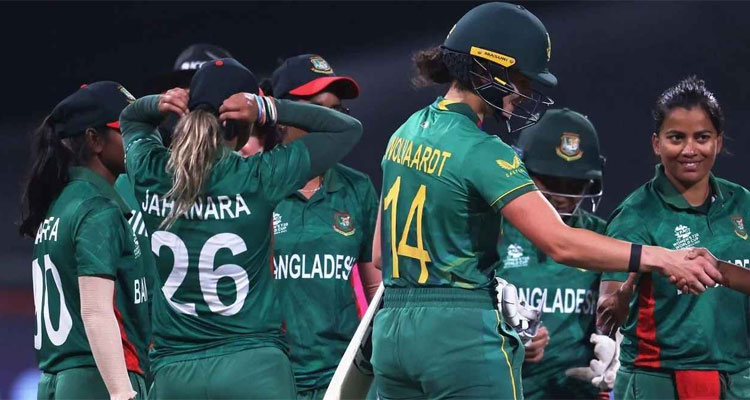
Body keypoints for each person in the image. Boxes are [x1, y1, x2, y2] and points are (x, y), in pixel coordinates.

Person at [370, 3, 723, 399]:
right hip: (459, 338)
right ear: (487, 69)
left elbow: (382, 254)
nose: (524, 94)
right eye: (521, 80)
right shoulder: (484, 150)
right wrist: (663, 257)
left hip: (392, 335)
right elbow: (561, 243)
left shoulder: (404, 133)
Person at [119, 57, 363, 399]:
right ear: (245, 124)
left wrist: (157, 103)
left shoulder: (151, 171)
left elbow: (130, 119)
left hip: (176, 373)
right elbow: (347, 128)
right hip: (253, 368)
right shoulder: (259, 175)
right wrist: (268, 108)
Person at [597, 76, 750, 400]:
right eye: (676, 138)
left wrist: (720, 271)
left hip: (739, 379)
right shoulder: (636, 213)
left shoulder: (743, 203)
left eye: (702, 137)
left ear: (718, 142)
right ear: (657, 144)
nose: (689, 150)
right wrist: (621, 297)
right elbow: (608, 307)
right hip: (658, 381)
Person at [259, 54, 381, 400]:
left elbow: (376, 291)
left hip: (343, 374)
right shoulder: (252, 183)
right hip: (272, 375)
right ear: (281, 115)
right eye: (316, 111)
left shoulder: (357, 188)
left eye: (337, 111)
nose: (330, 123)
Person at [18, 82, 150, 400]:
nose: (136, 139)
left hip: (56, 381)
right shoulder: (97, 208)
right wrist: (121, 392)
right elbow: (95, 310)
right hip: (99, 377)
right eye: (125, 130)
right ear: (94, 139)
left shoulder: (59, 204)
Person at [495, 108, 616, 399]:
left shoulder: (605, 238)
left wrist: (620, 351)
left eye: (574, 185)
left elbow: (623, 313)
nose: (562, 196)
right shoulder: (490, 232)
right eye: (550, 181)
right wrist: (501, 338)